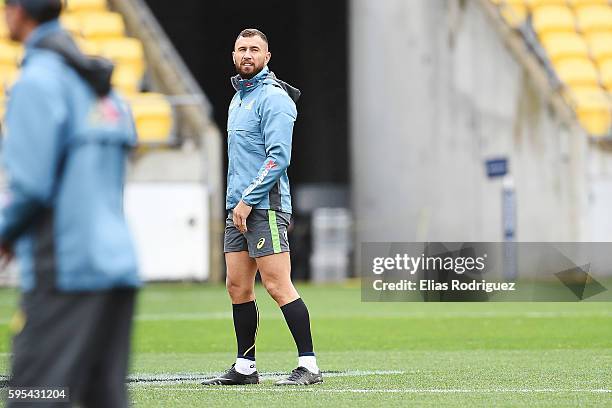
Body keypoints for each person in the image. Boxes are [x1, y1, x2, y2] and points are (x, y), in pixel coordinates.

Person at [0, 1, 140, 406]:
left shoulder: (36, 81)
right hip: (119, 268)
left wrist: (5, 232)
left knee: (33, 394)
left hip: (67, 268)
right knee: (103, 399)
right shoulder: (103, 86)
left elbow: (30, 186)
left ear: (16, 13)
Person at [202, 28, 322, 386]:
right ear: (234, 55)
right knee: (237, 286)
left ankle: (310, 366)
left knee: (277, 285)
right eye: (242, 49)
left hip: (263, 206)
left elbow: (278, 158)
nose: (248, 54)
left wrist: (247, 200)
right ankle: (245, 367)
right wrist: (236, 203)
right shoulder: (237, 99)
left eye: (255, 49)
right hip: (237, 207)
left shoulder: (274, 98)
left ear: (267, 57)